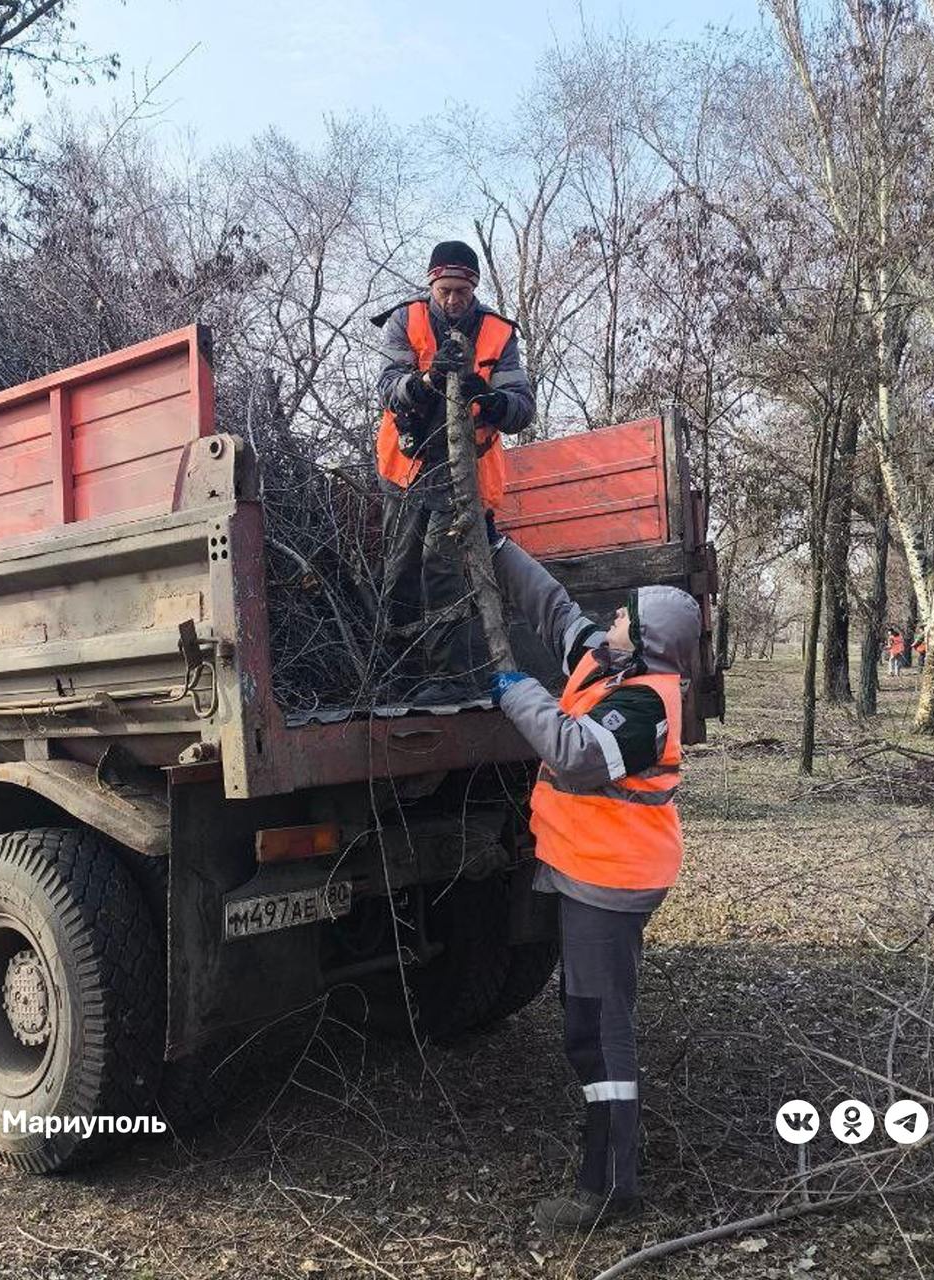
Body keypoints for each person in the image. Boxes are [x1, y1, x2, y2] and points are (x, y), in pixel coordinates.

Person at [486, 520, 702, 1232]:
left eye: (620, 617)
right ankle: (611, 1167)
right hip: (589, 868)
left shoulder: (645, 707)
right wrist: (494, 547)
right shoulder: (610, 664)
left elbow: (576, 753)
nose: (606, 619)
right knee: (588, 1017)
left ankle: (608, 1186)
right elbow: (552, 607)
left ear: (639, 639)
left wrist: (515, 691)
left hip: (610, 880)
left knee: (598, 1029)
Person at [372, 240, 535, 703]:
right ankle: (398, 675)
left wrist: (490, 398)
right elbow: (387, 386)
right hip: (406, 468)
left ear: (474, 287)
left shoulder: (499, 334)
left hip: (465, 474)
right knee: (400, 572)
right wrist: (425, 382)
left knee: (442, 571)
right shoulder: (407, 320)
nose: (452, 299)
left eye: (461, 290)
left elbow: (522, 409)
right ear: (431, 285)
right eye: (444, 290)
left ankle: (447, 678)